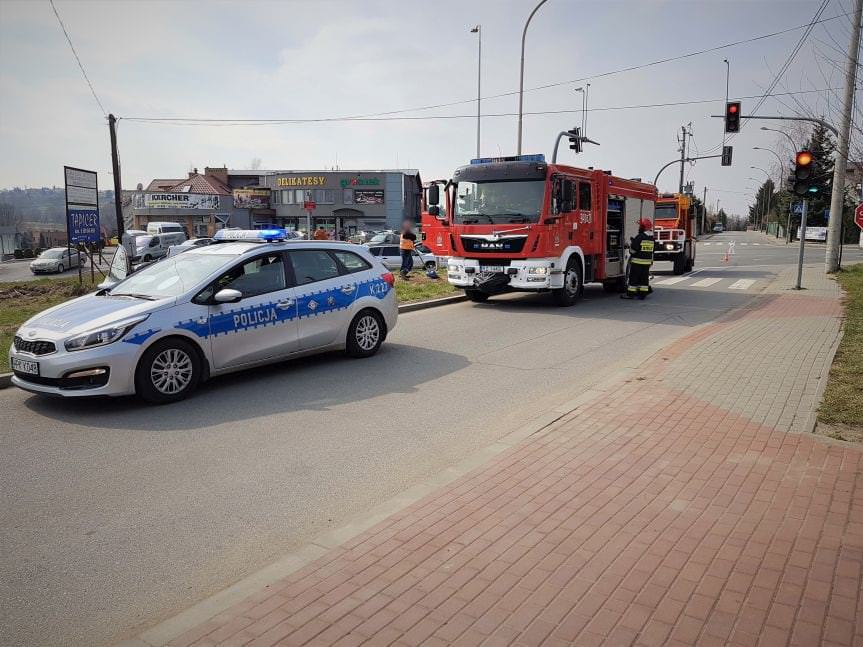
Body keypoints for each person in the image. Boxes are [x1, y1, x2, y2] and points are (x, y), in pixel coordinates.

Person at [622, 218, 654, 300]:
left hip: (637, 262)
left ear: (644, 227)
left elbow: (633, 250)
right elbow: (653, 250)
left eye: (640, 226)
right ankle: (642, 294)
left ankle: (630, 294)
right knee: (644, 280)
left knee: (633, 279)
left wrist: (631, 245)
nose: (639, 228)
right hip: (646, 263)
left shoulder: (640, 237)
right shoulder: (652, 238)